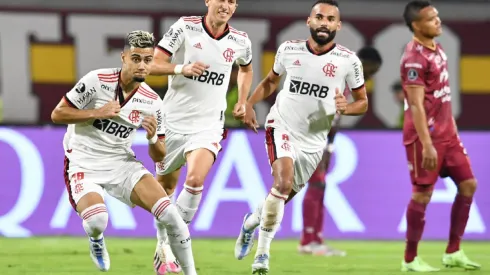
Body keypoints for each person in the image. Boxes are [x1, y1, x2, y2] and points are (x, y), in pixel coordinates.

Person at [234, 1, 368, 273]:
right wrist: (248, 103)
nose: (324, 23)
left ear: (338, 26)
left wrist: (347, 108)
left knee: (280, 198)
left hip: (314, 142)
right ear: (309, 21)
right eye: (319, 17)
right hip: (281, 125)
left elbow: (362, 102)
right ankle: (262, 256)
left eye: (330, 19)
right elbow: (272, 81)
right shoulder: (289, 49)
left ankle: (250, 223)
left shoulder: (348, 61)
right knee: (281, 184)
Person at [50, 31, 197, 275]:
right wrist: (97, 113)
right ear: (124, 57)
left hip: (121, 163)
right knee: (97, 222)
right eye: (136, 58)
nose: (142, 65)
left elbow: (160, 156)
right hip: (83, 163)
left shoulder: (152, 102)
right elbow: (58, 114)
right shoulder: (96, 80)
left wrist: (151, 137)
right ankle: (96, 240)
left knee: (171, 215)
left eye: (147, 60)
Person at [149, 0, 253, 273]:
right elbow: (153, 64)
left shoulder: (241, 41)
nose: (226, 5)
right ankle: (162, 245)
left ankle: (172, 248)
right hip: (172, 120)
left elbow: (246, 68)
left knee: (195, 180)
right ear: (208, 0)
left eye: (232, 1)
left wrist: (243, 100)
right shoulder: (185, 27)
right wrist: (180, 68)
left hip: (208, 125)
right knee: (165, 190)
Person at [400, 1, 480, 271]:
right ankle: (410, 259)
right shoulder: (413, 58)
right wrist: (427, 144)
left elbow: (442, 98)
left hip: (449, 135)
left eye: (437, 16)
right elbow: (416, 105)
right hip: (426, 138)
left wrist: (452, 129)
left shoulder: (439, 49)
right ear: (416, 25)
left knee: (468, 185)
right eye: (431, 18)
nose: (438, 21)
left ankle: (453, 251)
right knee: (422, 194)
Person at [298, 46, 382, 257]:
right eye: (370, 72)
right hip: (309, 133)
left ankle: (316, 239)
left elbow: (334, 118)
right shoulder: (336, 74)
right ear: (360, 64)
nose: (369, 78)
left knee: (321, 185)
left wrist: (329, 146)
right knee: (316, 183)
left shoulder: (345, 84)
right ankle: (307, 241)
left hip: (322, 136)